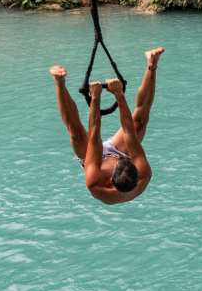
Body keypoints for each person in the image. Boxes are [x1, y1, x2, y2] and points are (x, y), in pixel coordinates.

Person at [50, 48, 162, 204]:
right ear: (133, 165)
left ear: (110, 179)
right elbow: (129, 131)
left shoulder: (95, 183)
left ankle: (59, 83)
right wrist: (119, 95)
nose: (115, 160)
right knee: (140, 121)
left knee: (77, 135)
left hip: (95, 162)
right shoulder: (144, 173)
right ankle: (152, 63)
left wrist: (95, 98)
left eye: (117, 163)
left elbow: (94, 136)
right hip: (121, 155)